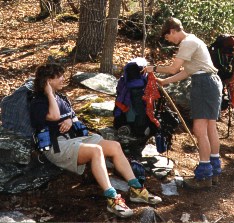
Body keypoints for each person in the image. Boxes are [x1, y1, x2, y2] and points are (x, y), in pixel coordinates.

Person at [30, 63, 162, 218]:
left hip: (76, 139)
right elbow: (54, 116)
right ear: (48, 80)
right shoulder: (38, 102)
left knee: (114, 146)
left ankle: (136, 189)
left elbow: (73, 116)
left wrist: (71, 121)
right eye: (58, 76)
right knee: (96, 150)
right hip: (58, 146)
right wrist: (48, 93)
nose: (63, 79)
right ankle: (112, 198)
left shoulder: (61, 97)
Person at [145, 17, 223, 186]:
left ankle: (204, 175)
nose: (170, 41)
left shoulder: (187, 42)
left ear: (172, 31)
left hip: (203, 84)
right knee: (210, 127)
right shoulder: (194, 41)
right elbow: (186, 71)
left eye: (168, 37)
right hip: (211, 82)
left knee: (199, 129)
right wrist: (164, 81)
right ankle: (214, 170)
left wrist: (154, 68)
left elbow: (174, 68)